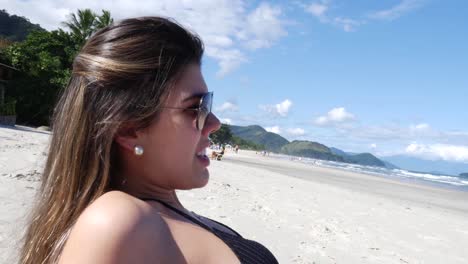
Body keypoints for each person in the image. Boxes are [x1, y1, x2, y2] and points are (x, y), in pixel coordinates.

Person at [19, 17, 278, 264]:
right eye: (197, 107)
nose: (214, 122)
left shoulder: (149, 221)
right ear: (129, 129)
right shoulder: (117, 220)